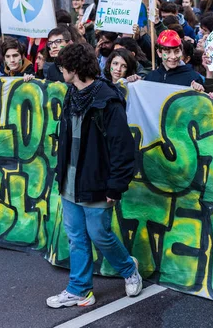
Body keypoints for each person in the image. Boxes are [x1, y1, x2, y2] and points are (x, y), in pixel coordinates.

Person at [47, 42, 142, 308]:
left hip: (97, 183)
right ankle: (79, 289)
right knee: (76, 237)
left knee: (100, 235)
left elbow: (122, 147)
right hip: (70, 181)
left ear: (74, 69)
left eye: (63, 67)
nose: (60, 72)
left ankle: (128, 269)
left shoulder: (107, 99)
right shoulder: (72, 93)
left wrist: (115, 187)